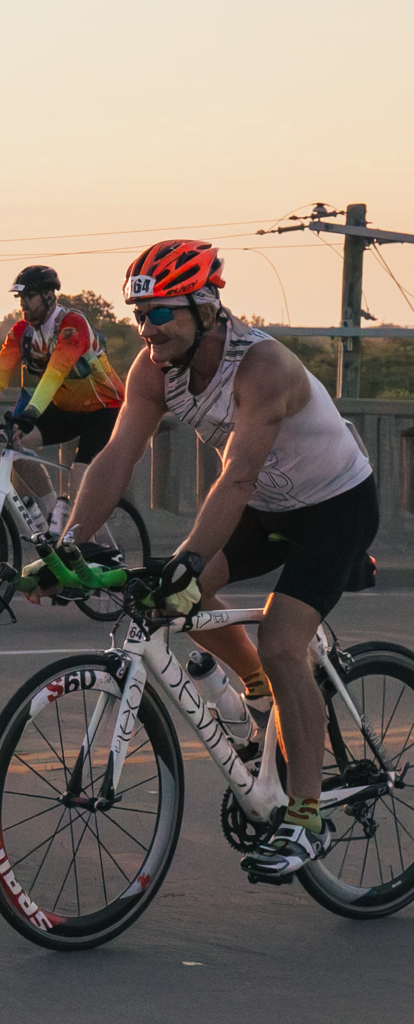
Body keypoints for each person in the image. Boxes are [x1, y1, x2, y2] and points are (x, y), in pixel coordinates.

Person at [55, 239, 375, 880]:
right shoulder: (153, 369)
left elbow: (237, 476)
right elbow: (117, 456)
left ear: (205, 306)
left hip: (334, 509)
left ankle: (306, 819)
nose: (147, 329)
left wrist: (191, 558)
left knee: (285, 641)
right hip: (268, 508)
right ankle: (257, 689)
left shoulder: (263, 368)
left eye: (162, 313)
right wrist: (68, 545)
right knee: (176, 594)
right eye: (139, 316)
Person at [0, 265, 125, 534]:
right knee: (15, 448)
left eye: (29, 297)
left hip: (104, 409)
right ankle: (53, 515)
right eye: (20, 298)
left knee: (80, 472)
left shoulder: (72, 326)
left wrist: (29, 415)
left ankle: (85, 544)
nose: (23, 304)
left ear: (49, 296)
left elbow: (55, 373)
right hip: (65, 409)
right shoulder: (21, 332)